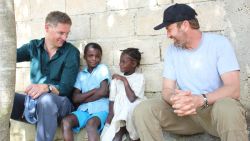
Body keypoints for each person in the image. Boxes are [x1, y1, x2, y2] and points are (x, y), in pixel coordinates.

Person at [133, 3, 248, 141]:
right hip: (185, 115)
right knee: (143, 110)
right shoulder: (172, 50)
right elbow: (167, 89)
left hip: (214, 113)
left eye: (169, 29)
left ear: (185, 25)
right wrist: (176, 100)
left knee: (228, 108)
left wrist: (200, 100)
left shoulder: (219, 44)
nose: (168, 35)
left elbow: (233, 89)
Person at [11, 11, 80, 141]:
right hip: (34, 103)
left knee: (46, 100)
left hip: (62, 106)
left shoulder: (71, 52)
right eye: (61, 33)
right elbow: (8, 55)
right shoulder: (33, 47)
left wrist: (47, 87)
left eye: (67, 33)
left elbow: (66, 88)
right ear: (47, 28)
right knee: (6, 98)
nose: (65, 38)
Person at [61, 43, 111, 141]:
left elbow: (103, 92)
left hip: (101, 108)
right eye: (90, 56)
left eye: (97, 56)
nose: (94, 59)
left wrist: (83, 98)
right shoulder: (81, 75)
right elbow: (75, 98)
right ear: (85, 57)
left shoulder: (102, 68)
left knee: (91, 124)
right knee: (66, 121)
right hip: (83, 110)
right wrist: (94, 90)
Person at [101, 48, 145, 141]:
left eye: (123, 62)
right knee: (109, 137)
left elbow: (132, 98)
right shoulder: (116, 80)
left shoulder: (139, 77)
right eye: (120, 61)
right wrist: (108, 121)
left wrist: (124, 80)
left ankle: (133, 136)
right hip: (119, 114)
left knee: (128, 112)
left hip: (133, 109)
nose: (120, 64)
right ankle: (120, 132)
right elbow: (112, 101)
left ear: (133, 64)